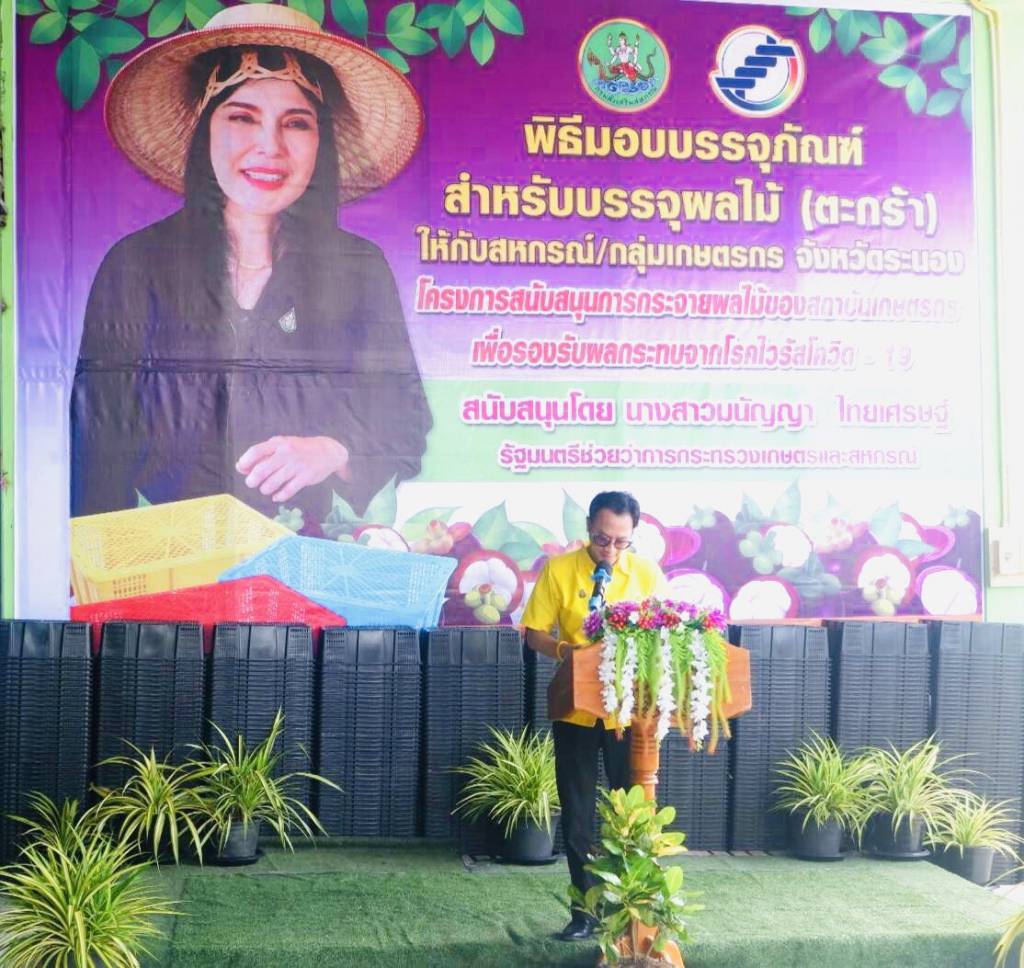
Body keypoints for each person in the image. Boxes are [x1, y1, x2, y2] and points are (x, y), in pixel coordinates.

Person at [70, 4, 431, 530]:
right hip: (170, 558)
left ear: (321, 142)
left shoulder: (360, 268)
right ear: (205, 131)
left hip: (314, 553)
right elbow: (96, 448)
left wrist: (334, 448)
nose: (270, 147)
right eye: (242, 117)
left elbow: (407, 422)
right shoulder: (135, 264)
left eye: (296, 123)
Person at [521, 490, 669, 941]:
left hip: (631, 713)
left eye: (621, 542)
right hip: (576, 710)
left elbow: (667, 631)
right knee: (579, 815)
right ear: (588, 527)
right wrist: (565, 650)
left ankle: (631, 909)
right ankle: (585, 912)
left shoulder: (646, 573)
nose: (610, 549)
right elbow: (533, 633)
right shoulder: (559, 570)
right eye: (603, 539)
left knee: (634, 811)